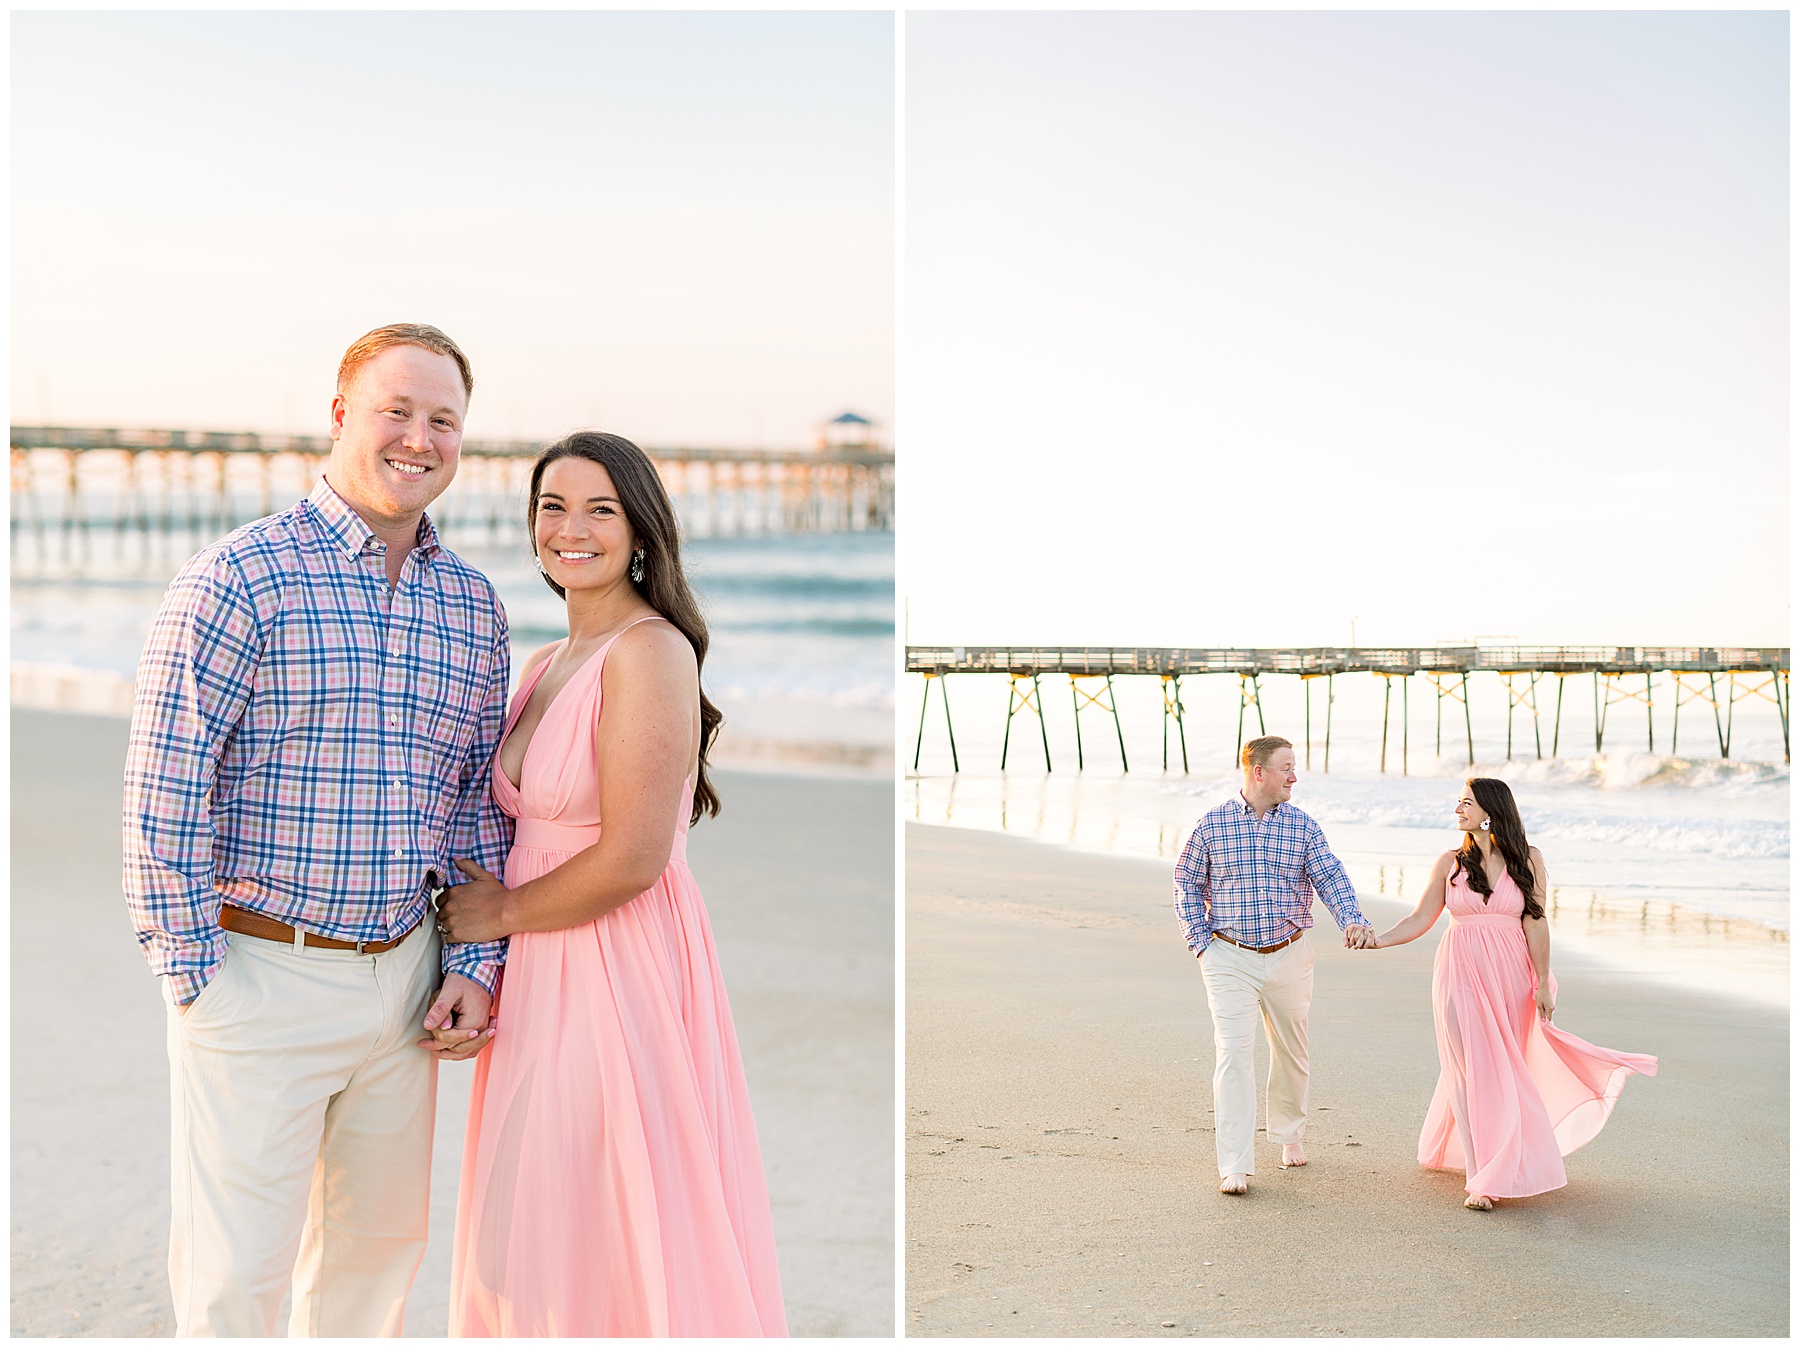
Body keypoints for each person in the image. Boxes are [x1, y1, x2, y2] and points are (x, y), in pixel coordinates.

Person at [122, 323, 512, 1336]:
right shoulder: (238, 578)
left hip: (406, 982)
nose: (418, 438)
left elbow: (469, 805)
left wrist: (477, 962)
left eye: (443, 419)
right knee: (234, 1280)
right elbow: (165, 786)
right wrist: (193, 973)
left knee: (373, 1266)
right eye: (397, 409)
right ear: (342, 415)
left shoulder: (473, 607)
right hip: (258, 976)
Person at [438, 431, 787, 1337]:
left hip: (612, 960)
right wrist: (478, 963)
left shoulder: (651, 651)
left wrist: (500, 913)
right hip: (541, 966)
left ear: (641, 529)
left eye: (601, 508)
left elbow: (636, 856)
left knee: (605, 1201)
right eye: (553, 507)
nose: (572, 528)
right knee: (537, 1217)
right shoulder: (543, 666)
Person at [1366, 777, 1656, 1209]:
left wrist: (1542, 983)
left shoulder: (1528, 859)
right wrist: (1378, 940)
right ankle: (1484, 1177)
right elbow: (1422, 917)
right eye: (1458, 802)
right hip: (1459, 971)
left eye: (1466, 803)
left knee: (1501, 1069)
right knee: (1468, 1068)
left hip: (1512, 977)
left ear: (1490, 810)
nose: (1458, 810)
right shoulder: (1450, 861)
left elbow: (1536, 922)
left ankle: (1497, 1163)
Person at [1173, 735, 1376, 1196]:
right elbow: (1185, 883)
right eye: (1286, 767)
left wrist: (1353, 920)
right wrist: (1200, 941)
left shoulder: (1303, 826)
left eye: (1295, 767)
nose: (1294, 776)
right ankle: (1236, 1163)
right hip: (1227, 955)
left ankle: (1288, 1135)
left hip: (1289, 952)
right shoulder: (1212, 825)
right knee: (1234, 1056)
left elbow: (1330, 877)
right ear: (1258, 771)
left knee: (1291, 1051)